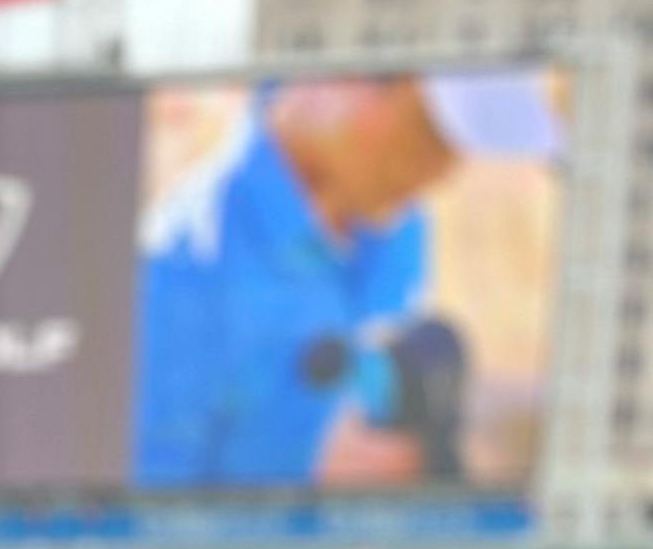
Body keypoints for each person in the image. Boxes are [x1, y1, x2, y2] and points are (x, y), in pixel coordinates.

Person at [132, 69, 561, 489]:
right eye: (429, 135)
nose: (441, 172)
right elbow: (132, 535)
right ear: (343, 82)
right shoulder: (177, 280)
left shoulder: (398, 228)